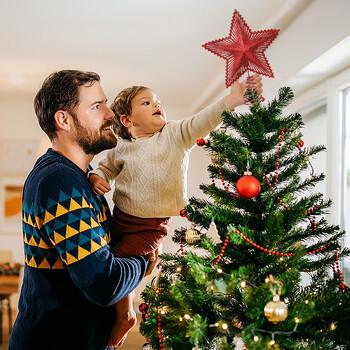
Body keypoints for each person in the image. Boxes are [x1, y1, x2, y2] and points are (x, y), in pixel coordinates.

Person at [88, 75, 263, 347]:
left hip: (151, 225)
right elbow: (105, 169)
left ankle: (126, 314)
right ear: (127, 120)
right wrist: (96, 178)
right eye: (147, 102)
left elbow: (203, 120)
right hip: (120, 218)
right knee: (108, 255)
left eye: (158, 101)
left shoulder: (174, 134)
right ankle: (118, 301)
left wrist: (232, 100)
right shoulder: (121, 147)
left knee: (118, 262)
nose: (158, 105)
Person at [9, 70, 157, 350]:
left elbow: (106, 250)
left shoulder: (82, 175)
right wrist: (144, 259)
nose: (110, 113)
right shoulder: (58, 181)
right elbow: (104, 283)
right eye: (96, 106)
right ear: (63, 120)